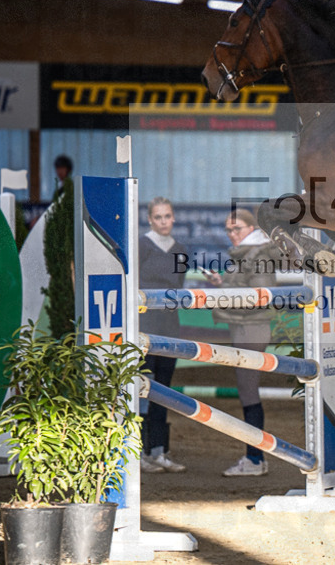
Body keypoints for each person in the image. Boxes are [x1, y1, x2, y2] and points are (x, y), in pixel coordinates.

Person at [203, 209, 285, 477]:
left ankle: (254, 458)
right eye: (228, 230)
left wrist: (223, 292)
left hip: (252, 328)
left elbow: (257, 297)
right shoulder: (245, 254)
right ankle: (255, 457)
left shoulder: (258, 254)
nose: (232, 234)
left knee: (248, 394)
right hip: (243, 328)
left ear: (251, 229)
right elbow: (242, 289)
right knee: (247, 393)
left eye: (236, 229)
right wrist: (220, 283)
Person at [138, 197, 189, 473]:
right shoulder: (141, 246)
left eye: (167, 216)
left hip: (170, 328)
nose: (163, 221)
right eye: (158, 217)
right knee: (142, 389)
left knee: (164, 390)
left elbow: (178, 288)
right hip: (144, 328)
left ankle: (159, 450)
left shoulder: (180, 250)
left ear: (173, 217)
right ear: (150, 220)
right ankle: (139, 452)